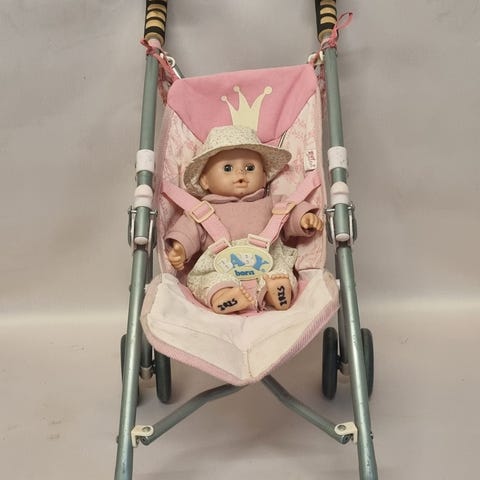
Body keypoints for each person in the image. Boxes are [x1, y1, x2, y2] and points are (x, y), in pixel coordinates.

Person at [165, 125, 323, 314]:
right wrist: (180, 248)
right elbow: (188, 230)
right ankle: (224, 296)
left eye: (249, 168)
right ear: (205, 181)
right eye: (228, 168)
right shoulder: (203, 210)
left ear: (264, 178)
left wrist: (303, 218)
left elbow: (289, 212)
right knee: (208, 280)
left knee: (281, 271)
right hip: (219, 265)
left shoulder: (272, 203)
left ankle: (276, 291)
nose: (240, 174)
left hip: (268, 259)